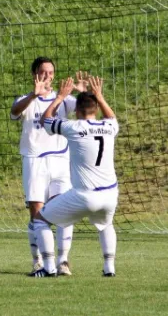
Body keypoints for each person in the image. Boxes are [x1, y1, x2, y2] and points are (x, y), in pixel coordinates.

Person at [29, 75, 120, 277]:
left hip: (84, 195)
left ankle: (49, 267)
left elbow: (46, 120)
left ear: (76, 111)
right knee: (105, 224)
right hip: (110, 195)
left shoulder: (72, 127)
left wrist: (60, 96)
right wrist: (98, 95)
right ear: (96, 109)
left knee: (40, 220)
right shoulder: (110, 127)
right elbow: (111, 117)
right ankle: (109, 268)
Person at [10, 56, 88, 276]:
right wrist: (34, 94)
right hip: (34, 160)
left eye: (51, 72)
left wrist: (82, 92)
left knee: (64, 210)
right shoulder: (27, 99)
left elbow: (88, 110)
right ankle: (38, 262)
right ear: (35, 73)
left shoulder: (63, 99)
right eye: (44, 72)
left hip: (60, 161)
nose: (48, 76)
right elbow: (15, 112)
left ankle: (63, 261)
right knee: (36, 213)